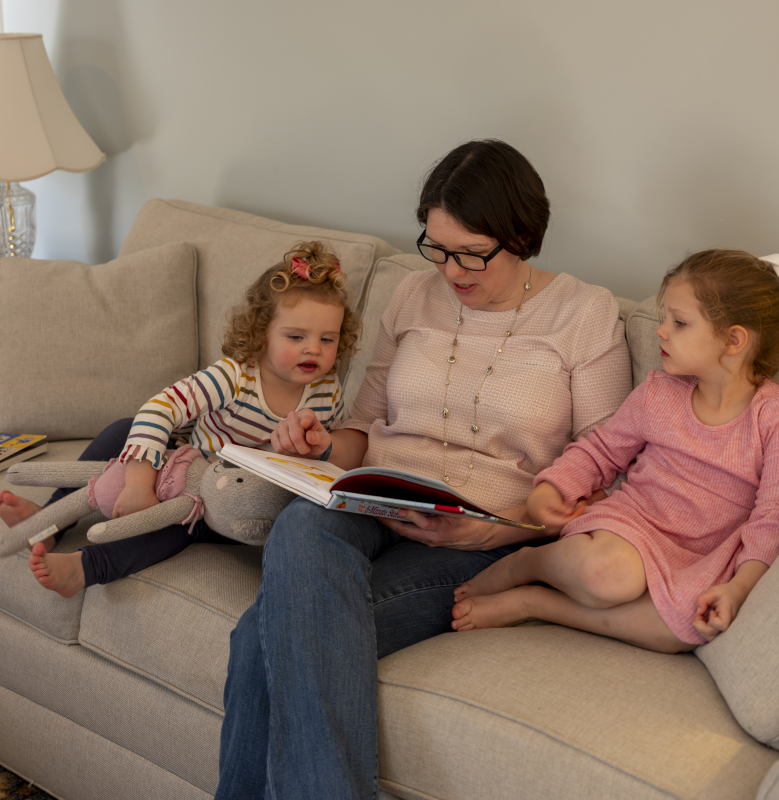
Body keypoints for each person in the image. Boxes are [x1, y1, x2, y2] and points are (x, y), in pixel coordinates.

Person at [215, 140, 632, 799]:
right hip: (372, 499)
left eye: (471, 253)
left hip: (480, 535)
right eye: (436, 248)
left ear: (522, 235)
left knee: (259, 640)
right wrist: (318, 451)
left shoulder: (585, 314)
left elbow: (604, 479)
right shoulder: (413, 294)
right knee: (299, 524)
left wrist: (494, 529)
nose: (450, 270)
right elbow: (363, 425)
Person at [452, 249, 779, 652]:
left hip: (701, 556)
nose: (661, 331)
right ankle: (526, 563)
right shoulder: (659, 392)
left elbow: (773, 517)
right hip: (632, 526)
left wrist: (738, 588)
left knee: (685, 631)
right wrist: (552, 489)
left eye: (679, 323)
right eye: (664, 318)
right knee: (610, 577)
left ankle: (534, 602)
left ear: (733, 340)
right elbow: (601, 451)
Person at [0, 241, 356, 598]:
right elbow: (159, 408)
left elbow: (333, 458)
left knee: (178, 523)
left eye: (327, 339)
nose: (313, 349)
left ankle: (88, 567)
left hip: (229, 508)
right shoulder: (234, 376)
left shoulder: (327, 391)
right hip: (189, 468)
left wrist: (317, 449)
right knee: (122, 429)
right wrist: (138, 484)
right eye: (296, 336)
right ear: (261, 333)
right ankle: (51, 521)